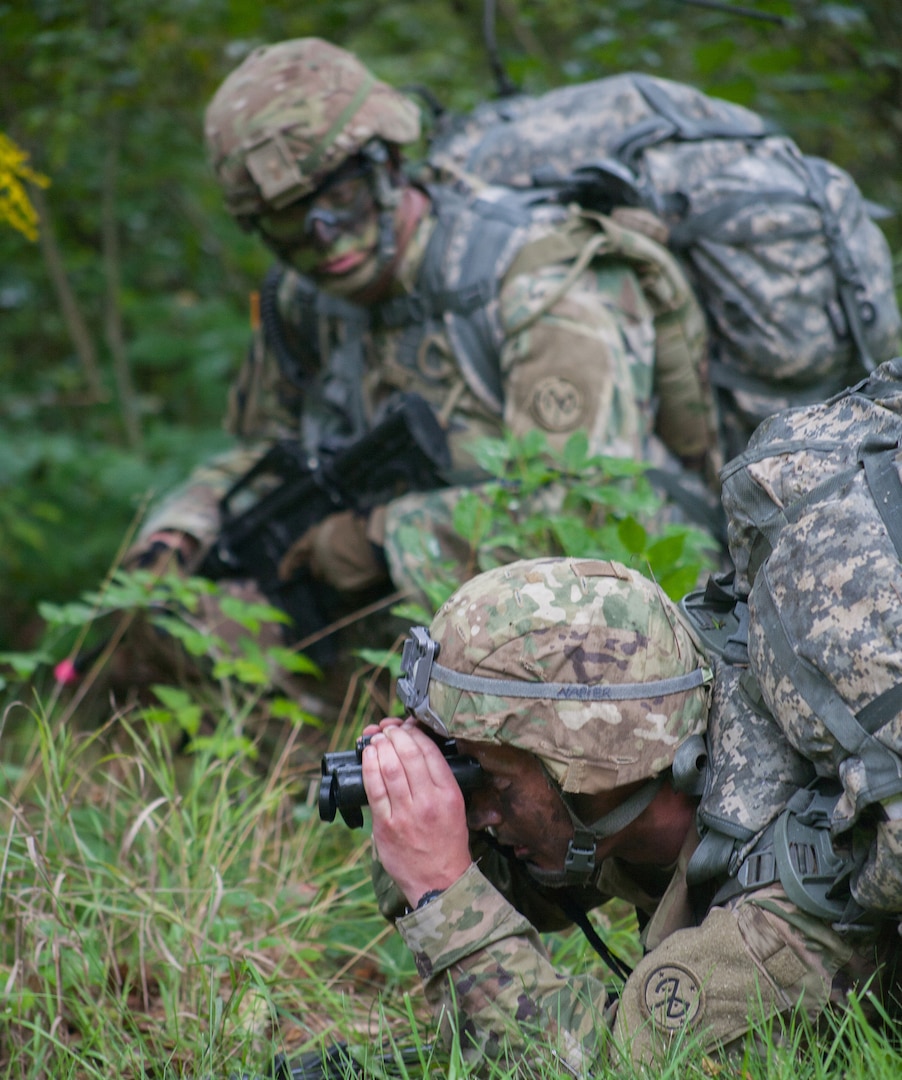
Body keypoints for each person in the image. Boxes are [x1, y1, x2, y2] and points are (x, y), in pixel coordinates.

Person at [123, 37, 719, 683]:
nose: (325, 239)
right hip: (405, 594)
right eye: (288, 222)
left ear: (388, 164)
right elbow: (269, 452)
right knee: (184, 632)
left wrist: (374, 538)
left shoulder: (537, 277)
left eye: (340, 197)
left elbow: (590, 513)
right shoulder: (301, 304)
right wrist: (180, 529)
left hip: (595, 600)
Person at [359, 556, 901, 1070]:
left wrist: (442, 890)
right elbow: (512, 890)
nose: (479, 817)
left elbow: (597, 1069)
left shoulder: (775, 916)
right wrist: (417, 793)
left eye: (495, 786)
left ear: (594, 767)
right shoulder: (649, 759)